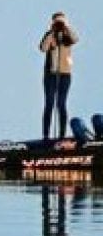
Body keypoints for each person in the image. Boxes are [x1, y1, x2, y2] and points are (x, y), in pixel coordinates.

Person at [39, 11, 79, 140]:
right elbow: (43, 48)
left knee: (61, 104)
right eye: (57, 21)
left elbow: (75, 39)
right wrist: (51, 32)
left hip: (65, 74)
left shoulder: (67, 35)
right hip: (50, 74)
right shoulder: (50, 35)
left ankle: (62, 134)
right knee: (49, 103)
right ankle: (46, 134)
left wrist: (66, 27)